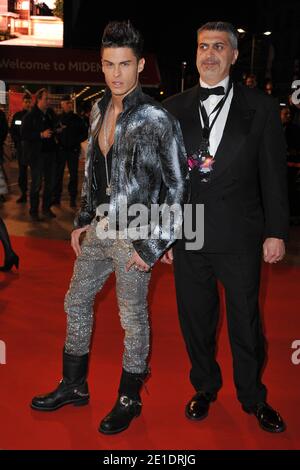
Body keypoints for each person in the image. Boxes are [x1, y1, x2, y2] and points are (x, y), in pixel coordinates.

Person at [31, 20, 188, 435]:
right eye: (108, 64)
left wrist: (153, 245)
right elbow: (91, 172)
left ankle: (129, 397)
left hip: (138, 233)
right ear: (101, 66)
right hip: (100, 229)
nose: (116, 73)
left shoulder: (158, 118)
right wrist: (83, 220)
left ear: (139, 67)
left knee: (132, 318)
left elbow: (177, 186)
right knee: (75, 302)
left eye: (124, 64)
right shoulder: (99, 108)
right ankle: (74, 385)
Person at [163, 21, 289, 433]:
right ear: (196, 53)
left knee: (245, 321)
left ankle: (253, 396)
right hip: (190, 231)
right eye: (203, 46)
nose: (210, 54)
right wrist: (162, 233)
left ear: (234, 55)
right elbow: (165, 178)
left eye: (219, 46)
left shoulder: (262, 107)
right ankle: (204, 386)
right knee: (195, 319)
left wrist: (277, 230)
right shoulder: (175, 107)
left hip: (240, 232)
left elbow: (273, 174)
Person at [21, 88, 57, 221]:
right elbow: (24, 134)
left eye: (49, 99)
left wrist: (57, 130)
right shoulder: (30, 116)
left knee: (49, 183)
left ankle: (46, 208)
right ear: (39, 100)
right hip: (37, 156)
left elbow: (53, 128)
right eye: (46, 99)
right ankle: (34, 211)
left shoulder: (50, 114)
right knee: (36, 184)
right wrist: (40, 135)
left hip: (50, 154)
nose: (49, 101)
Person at [52, 95, 88, 208]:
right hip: (61, 150)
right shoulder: (58, 118)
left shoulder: (77, 119)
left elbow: (85, 133)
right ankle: (56, 198)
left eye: (70, 103)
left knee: (73, 176)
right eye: (67, 103)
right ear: (62, 104)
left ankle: (72, 198)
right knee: (58, 175)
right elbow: (54, 132)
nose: (69, 105)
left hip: (73, 151)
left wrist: (75, 142)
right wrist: (58, 138)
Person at [10, 93, 32, 204]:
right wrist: (18, 142)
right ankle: (23, 193)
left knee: (35, 172)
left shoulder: (34, 116)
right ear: (22, 102)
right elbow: (13, 130)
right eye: (26, 102)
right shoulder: (17, 116)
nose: (27, 104)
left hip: (33, 149)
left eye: (29, 102)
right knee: (22, 173)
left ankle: (34, 195)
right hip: (21, 149)